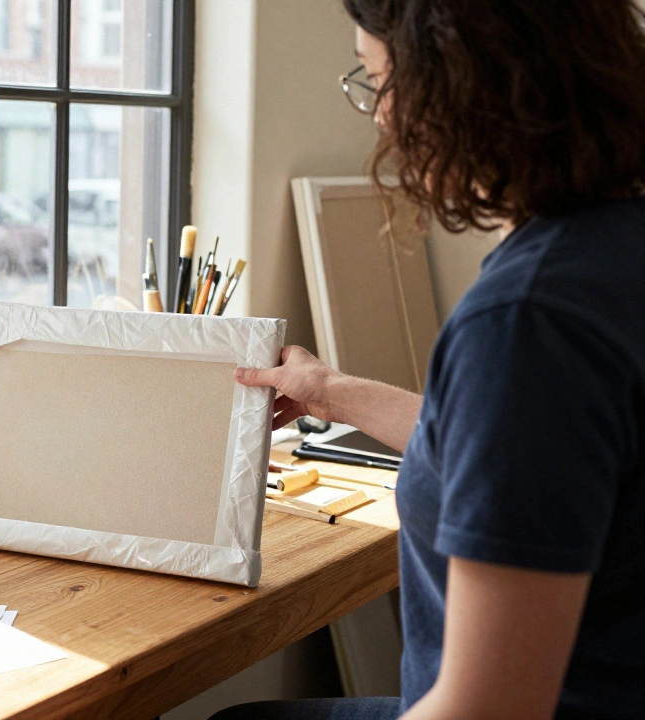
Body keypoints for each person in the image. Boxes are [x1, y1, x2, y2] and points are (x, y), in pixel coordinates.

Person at [213, 1, 645, 718]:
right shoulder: (613, 245)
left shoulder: (527, 323)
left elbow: (492, 708)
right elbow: (524, 459)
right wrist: (330, 390)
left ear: (467, 83)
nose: (381, 118)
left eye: (383, 81)